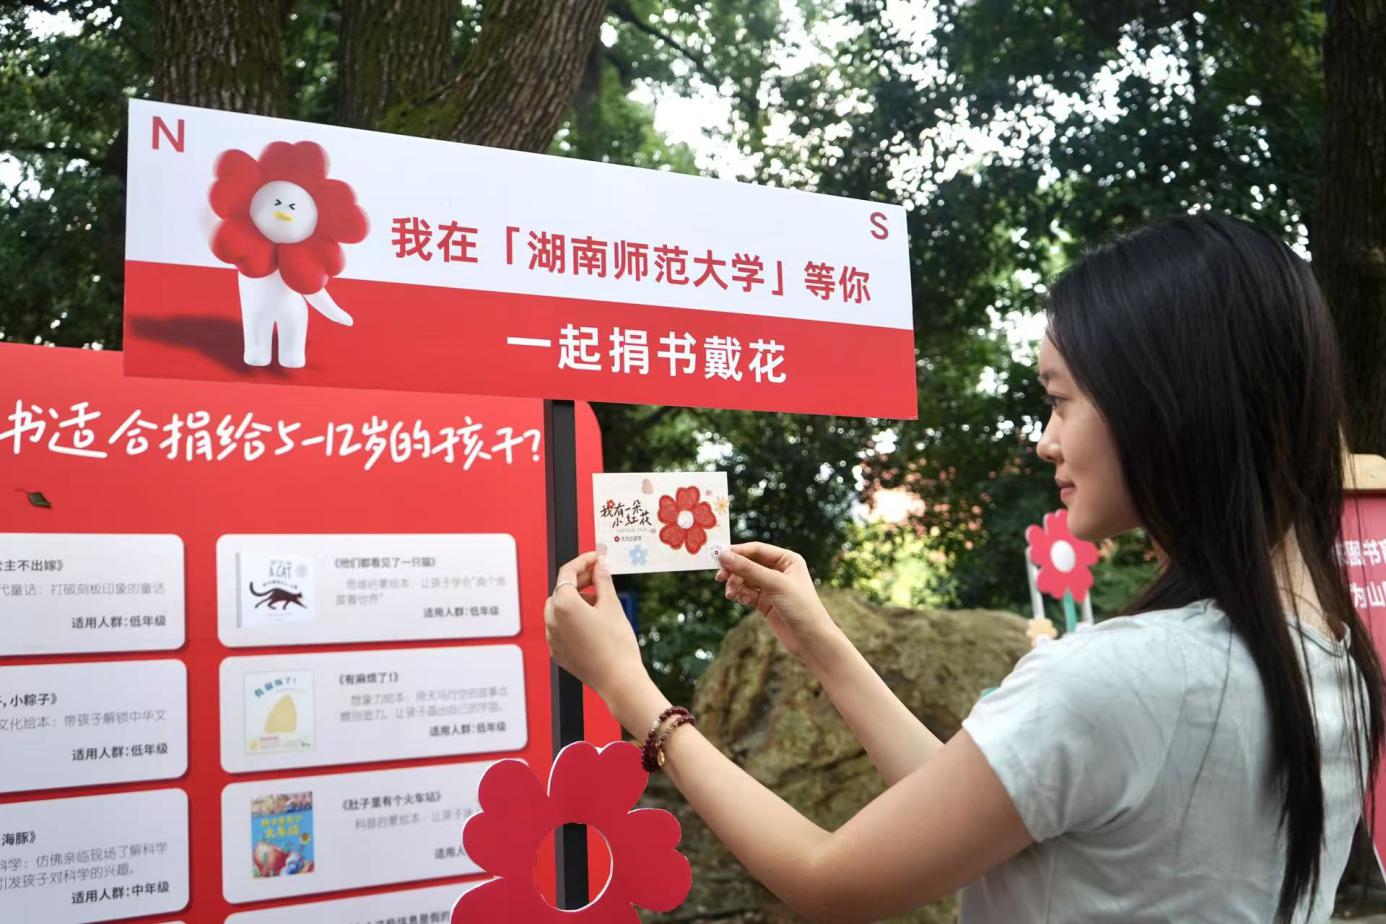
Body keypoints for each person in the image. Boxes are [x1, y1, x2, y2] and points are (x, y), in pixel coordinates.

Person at [546, 213, 1383, 923]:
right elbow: (988, 801)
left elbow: (828, 880)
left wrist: (632, 692)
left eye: (1059, 399)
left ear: (1169, 402)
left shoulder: (1122, 676)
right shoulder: (1330, 659)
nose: (1046, 441)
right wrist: (823, 644)